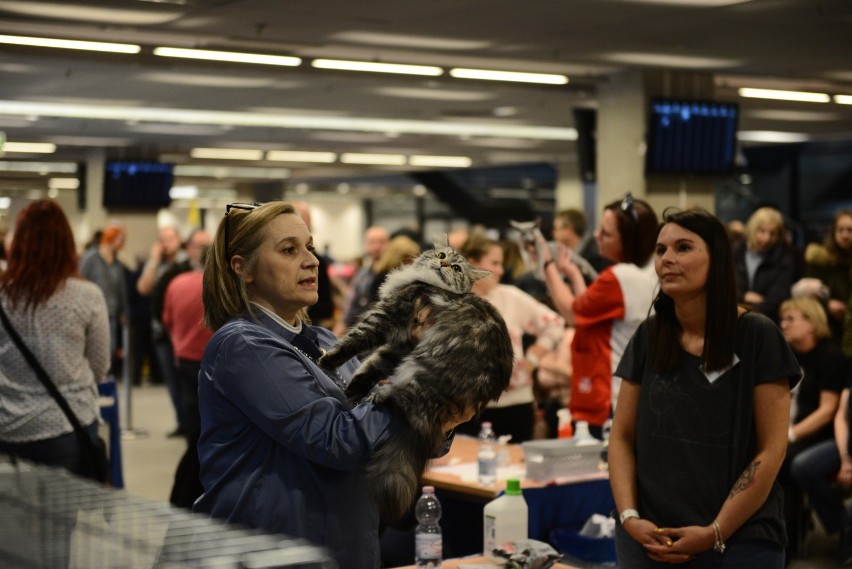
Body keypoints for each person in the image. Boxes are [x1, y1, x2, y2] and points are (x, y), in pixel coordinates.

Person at [193, 201, 472, 568]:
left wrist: (441, 416)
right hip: (274, 549)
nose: (311, 260)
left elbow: (380, 432)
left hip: (343, 544)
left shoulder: (324, 339)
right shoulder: (243, 344)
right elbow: (338, 440)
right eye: (289, 250)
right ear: (242, 268)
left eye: (309, 246)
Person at [609, 208, 801, 568]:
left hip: (737, 540)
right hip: (649, 537)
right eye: (661, 249)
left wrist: (715, 531)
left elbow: (771, 450)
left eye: (683, 248)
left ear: (717, 259)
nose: (667, 259)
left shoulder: (758, 335)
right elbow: (621, 436)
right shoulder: (650, 335)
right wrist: (630, 517)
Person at [535, 193, 658, 436]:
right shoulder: (647, 274)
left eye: (606, 233)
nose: (596, 236)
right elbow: (590, 308)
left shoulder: (620, 277)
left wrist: (547, 264)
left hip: (610, 398)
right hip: (631, 393)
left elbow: (573, 312)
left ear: (629, 241)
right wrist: (573, 274)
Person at [456, 235, 565, 443]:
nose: (501, 271)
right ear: (472, 263)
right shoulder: (451, 302)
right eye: (494, 263)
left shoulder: (510, 296)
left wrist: (534, 357)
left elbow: (555, 323)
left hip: (517, 406)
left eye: (501, 263)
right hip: (468, 408)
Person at [777, 297, 846, 558]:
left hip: (824, 436)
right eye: (783, 319)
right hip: (792, 431)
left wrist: (789, 435)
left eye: (791, 319)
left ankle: (842, 525)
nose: (783, 324)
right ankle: (786, 537)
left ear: (812, 323)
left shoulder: (830, 356)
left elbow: (827, 412)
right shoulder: (787, 355)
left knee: (790, 463)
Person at [162, 242, 213, 509]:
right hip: (211, 359)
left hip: (183, 358)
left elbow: (166, 319)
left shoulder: (176, 283)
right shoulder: (218, 289)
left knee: (192, 416)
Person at [137, 225, 187, 436]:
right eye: (162, 240)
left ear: (179, 239)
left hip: (184, 331)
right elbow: (143, 288)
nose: (166, 244)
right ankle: (182, 423)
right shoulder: (156, 265)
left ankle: (193, 423)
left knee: (187, 379)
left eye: (170, 239)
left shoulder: (187, 262)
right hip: (162, 331)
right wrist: (154, 260)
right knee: (172, 381)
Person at [793, 209, 852, 344]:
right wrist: (828, 304)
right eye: (840, 230)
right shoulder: (821, 260)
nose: (845, 235)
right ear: (833, 232)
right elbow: (805, 297)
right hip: (828, 328)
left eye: (850, 230)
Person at [78, 222, 128, 376]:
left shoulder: (118, 263)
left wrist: (124, 311)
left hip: (111, 312)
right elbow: (80, 280)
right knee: (91, 348)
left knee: (109, 348)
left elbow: (121, 290)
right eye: (119, 239)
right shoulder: (91, 258)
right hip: (91, 312)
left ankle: (102, 377)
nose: (122, 243)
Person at [734, 207, 797, 324]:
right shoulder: (737, 252)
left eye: (772, 233)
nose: (767, 238)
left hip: (767, 321)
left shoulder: (784, 258)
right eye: (762, 231)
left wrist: (745, 301)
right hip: (735, 319)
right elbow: (732, 290)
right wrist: (745, 295)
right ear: (753, 230)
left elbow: (775, 302)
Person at [334, 225, 389, 335]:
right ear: (366, 245)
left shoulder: (393, 272)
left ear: (389, 244)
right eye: (372, 242)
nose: (377, 247)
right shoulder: (362, 273)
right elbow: (352, 306)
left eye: (381, 242)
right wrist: (335, 334)